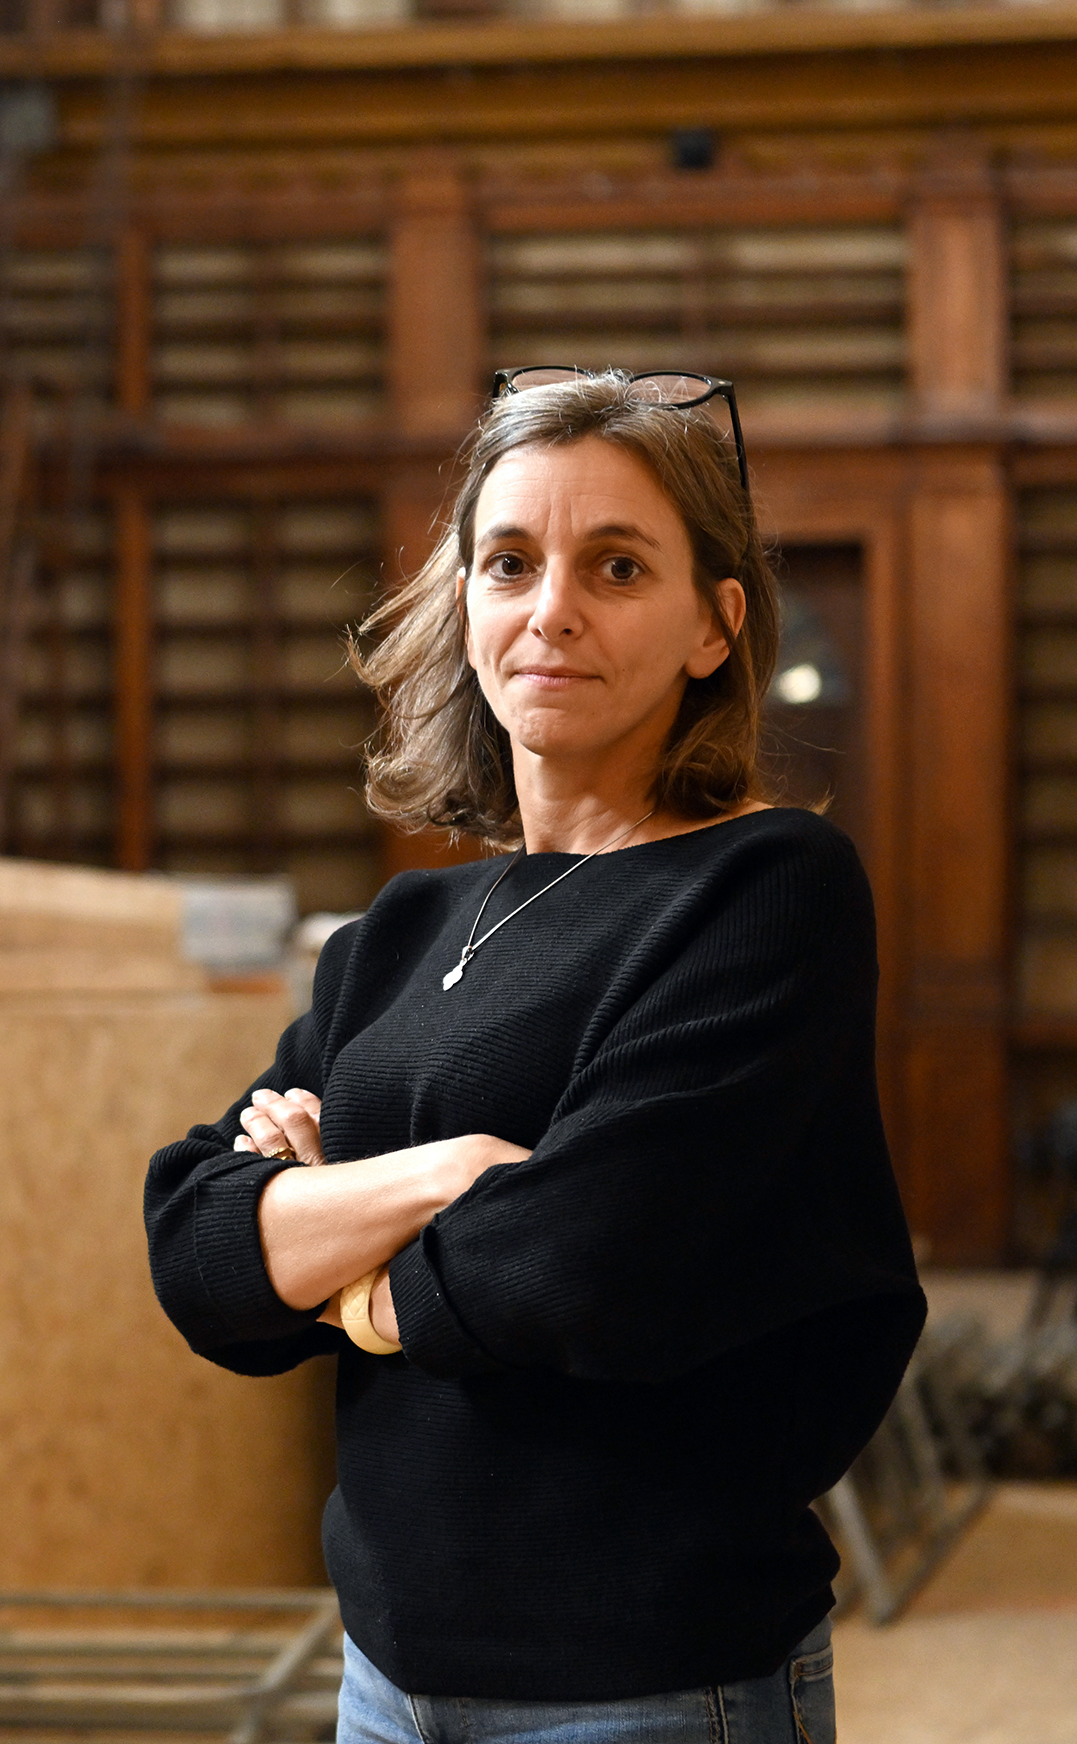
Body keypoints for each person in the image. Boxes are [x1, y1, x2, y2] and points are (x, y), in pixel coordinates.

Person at [142, 368, 926, 1744]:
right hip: (385, 1675)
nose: (550, 608)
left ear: (712, 625)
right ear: (468, 603)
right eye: (509, 562)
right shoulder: (401, 928)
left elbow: (583, 1264)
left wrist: (331, 1264)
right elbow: (195, 1250)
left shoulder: (765, 890)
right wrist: (450, 1174)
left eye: (616, 566)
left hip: (647, 1683)